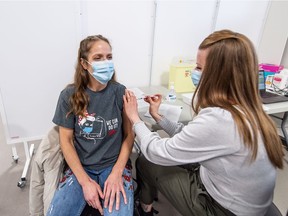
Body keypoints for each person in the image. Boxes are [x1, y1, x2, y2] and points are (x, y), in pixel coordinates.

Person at [123, 29, 285, 216]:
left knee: (145, 162)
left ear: (220, 74)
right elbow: (192, 137)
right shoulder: (250, 108)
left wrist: (134, 118)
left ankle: (145, 208)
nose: (194, 73)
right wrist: (158, 117)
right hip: (241, 198)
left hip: (224, 209)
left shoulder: (220, 118)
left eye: (199, 68)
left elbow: (157, 152)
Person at [47, 35, 135, 216]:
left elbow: (129, 136)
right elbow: (66, 140)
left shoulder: (120, 92)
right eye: (98, 57)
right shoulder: (69, 96)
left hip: (113, 165)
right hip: (82, 166)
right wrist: (85, 182)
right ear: (84, 64)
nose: (106, 62)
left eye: (109, 57)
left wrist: (117, 172)